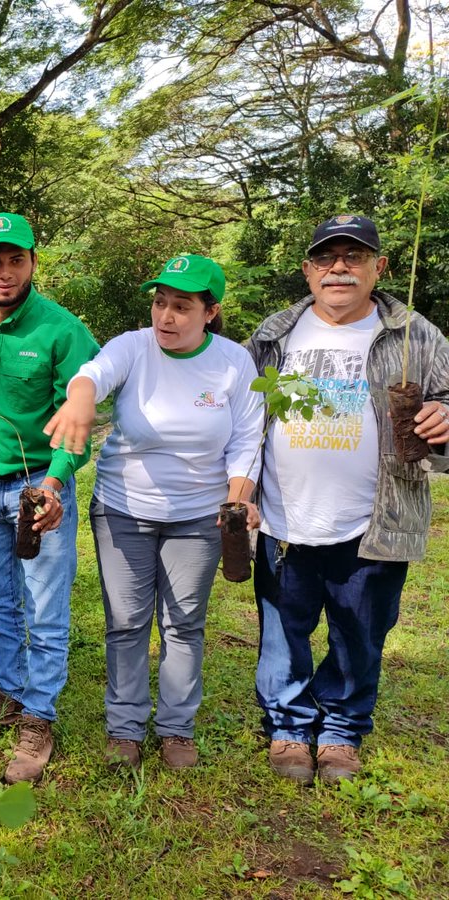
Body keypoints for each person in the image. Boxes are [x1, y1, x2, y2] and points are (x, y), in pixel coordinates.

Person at [248, 215, 449, 785]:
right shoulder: (275, 334)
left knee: (360, 629)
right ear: (309, 271)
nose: (340, 267)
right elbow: (242, 417)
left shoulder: (415, 334)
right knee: (283, 626)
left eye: (354, 256)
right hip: (284, 517)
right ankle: (288, 725)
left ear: (379, 267)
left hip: (374, 518)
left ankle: (339, 730)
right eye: (327, 258)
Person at [44, 255, 264, 769]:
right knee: (125, 622)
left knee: (184, 623)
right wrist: (79, 401)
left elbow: (246, 438)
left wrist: (239, 495)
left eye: (182, 306)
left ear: (211, 312)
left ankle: (176, 728)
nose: (166, 316)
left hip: (199, 516)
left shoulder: (234, 363)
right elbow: (93, 374)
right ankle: (124, 728)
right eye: (160, 302)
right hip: (123, 509)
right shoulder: (133, 347)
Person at [0, 212, 99, 784]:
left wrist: (54, 484)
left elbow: (78, 423)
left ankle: (38, 719)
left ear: (34, 261)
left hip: (39, 486)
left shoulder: (62, 330)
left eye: (15, 260)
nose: (3, 273)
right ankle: (9, 695)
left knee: (46, 609)